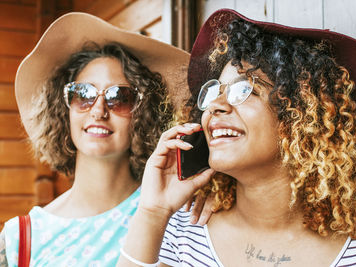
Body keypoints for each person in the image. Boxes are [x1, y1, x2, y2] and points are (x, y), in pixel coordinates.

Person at [118, 9, 356, 267]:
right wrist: (153, 212)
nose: (216, 105)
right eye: (215, 91)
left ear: (300, 117)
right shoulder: (183, 231)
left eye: (244, 91)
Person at [0, 12, 211, 267]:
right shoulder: (20, 240)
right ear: (63, 106)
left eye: (119, 97)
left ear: (144, 113)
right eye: (83, 94)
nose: (98, 111)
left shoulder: (175, 209)